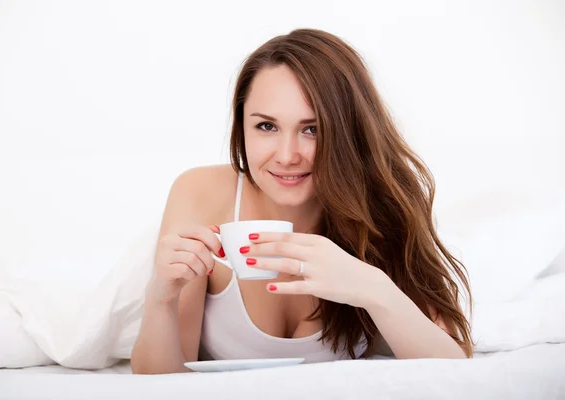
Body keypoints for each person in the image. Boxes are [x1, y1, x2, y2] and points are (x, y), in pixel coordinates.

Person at [131, 28, 473, 375]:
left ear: (349, 132)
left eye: (312, 129)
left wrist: (373, 288)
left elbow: (454, 367)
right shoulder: (201, 192)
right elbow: (163, 381)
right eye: (266, 126)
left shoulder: (384, 203)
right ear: (241, 127)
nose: (287, 155)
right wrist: (161, 298)